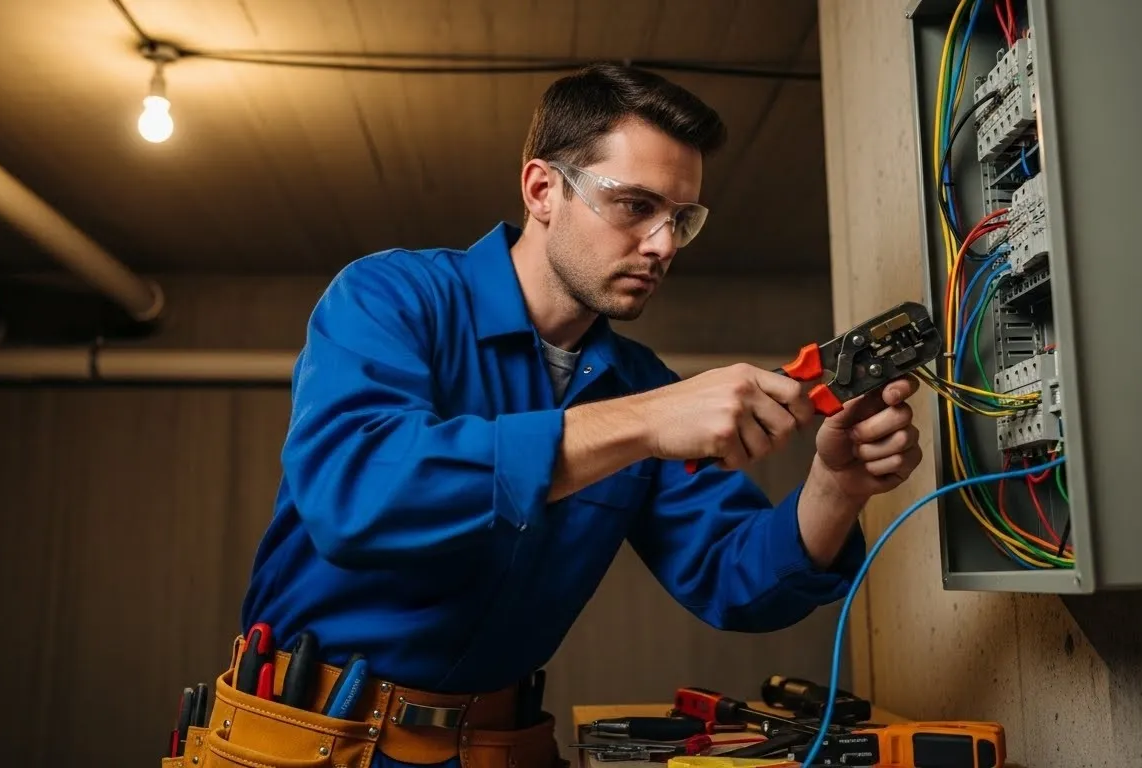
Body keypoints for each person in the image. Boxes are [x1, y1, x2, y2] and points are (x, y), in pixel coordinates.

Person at [224, 63, 921, 768]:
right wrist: (639, 425)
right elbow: (359, 495)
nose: (663, 245)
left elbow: (732, 581)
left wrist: (836, 488)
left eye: (681, 218)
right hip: (310, 741)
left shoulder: (640, 384)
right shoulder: (392, 297)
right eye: (634, 207)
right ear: (542, 189)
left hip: (501, 748)